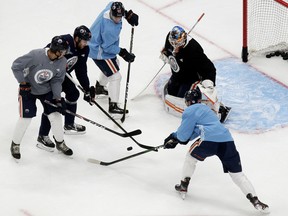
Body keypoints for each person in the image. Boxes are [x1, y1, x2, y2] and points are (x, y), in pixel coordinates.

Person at [163, 89, 269, 213]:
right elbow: (196, 131)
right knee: (237, 174)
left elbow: (183, 135)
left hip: (208, 140)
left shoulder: (190, 110)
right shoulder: (207, 110)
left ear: (187, 101)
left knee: (190, 158)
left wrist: (175, 138)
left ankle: (183, 185)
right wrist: (177, 138)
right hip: (227, 141)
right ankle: (255, 201)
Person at [11, 36, 73, 159]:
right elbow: (16, 66)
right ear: (56, 51)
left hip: (46, 90)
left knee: (55, 115)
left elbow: (56, 81)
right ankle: (15, 144)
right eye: (63, 51)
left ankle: (60, 143)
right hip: (28, 90)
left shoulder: (62, 61)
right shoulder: (36, 55)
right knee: (26, 118)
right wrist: (23, 83)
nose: (65, 54)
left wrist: (58, 99)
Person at [37, 26, 94, 151]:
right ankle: (42, 136)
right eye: (84, 41)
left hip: (63, 77)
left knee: (73, 94)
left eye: (87, 42)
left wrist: (87, 89)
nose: (85, 44)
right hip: (51, 78)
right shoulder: (65, 41)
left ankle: (69, 124)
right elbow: (46, 53)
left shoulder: (84, 49)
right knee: (51, 106)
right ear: (77, 38)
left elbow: (81, 70)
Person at [160, 26, 231, 123]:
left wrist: (209, 83)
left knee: (183, 98)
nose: (175, 48)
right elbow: (167, 50)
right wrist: (166, 55)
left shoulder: (194, 49)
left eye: (178, 44)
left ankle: (219, 109)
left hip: (191, 77)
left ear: (183, 40)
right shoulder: (170, 38)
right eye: (173, 44)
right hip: (179, 74)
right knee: (171, 92)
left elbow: (209, 68)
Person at [89, 1, 139, 115]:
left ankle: (100, 87)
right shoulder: (109, 29)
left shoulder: (110, 9)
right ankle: (113, 105)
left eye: (120, 17)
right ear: (111, 13)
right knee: (115, 76)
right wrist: (123, 52)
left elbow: (113, 3)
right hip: (99, 51)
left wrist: (128, 15)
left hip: (96, 45)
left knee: (114, 63)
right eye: (116, 17)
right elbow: (107, 48)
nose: (118, 20)